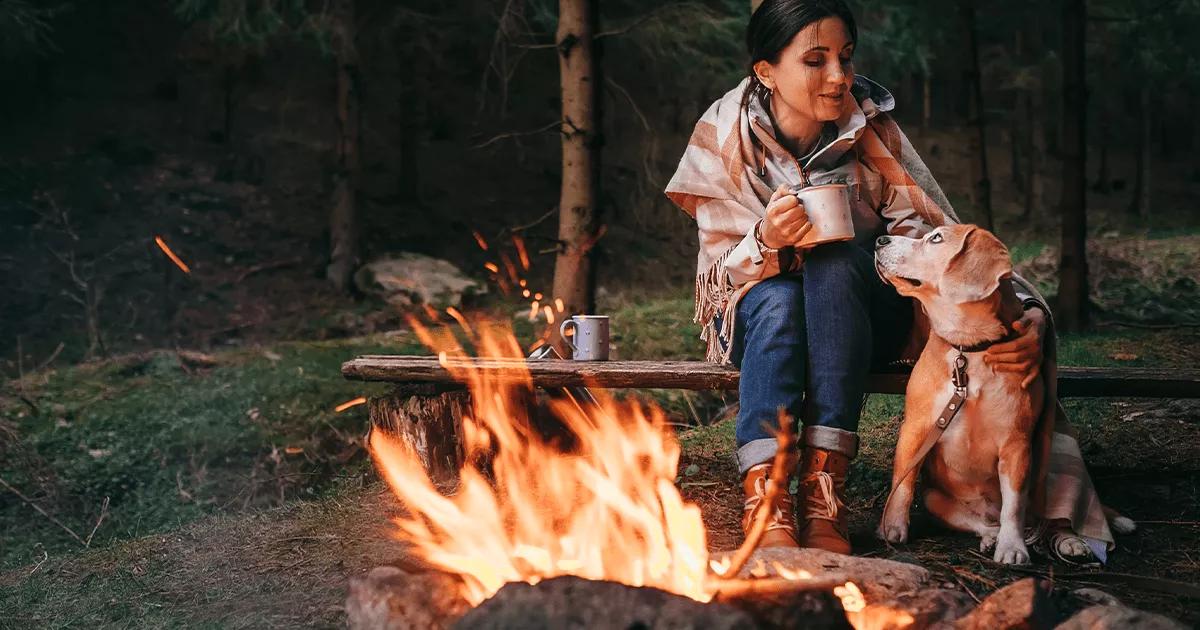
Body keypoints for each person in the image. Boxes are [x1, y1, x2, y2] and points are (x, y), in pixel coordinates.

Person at [665, 0, 1115, 560]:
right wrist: (766, 240)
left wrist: (1020, 317)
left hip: (860, 320)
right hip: (760, 324)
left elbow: (948, 246)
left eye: (845, 57)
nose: (839, 77)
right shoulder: (723, 136)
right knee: (780, 299)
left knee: (835, 260)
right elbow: (718, 278)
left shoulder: (871, 129)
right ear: (765, 71)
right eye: (815, 59)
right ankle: (769, 495)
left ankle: (824, 491)